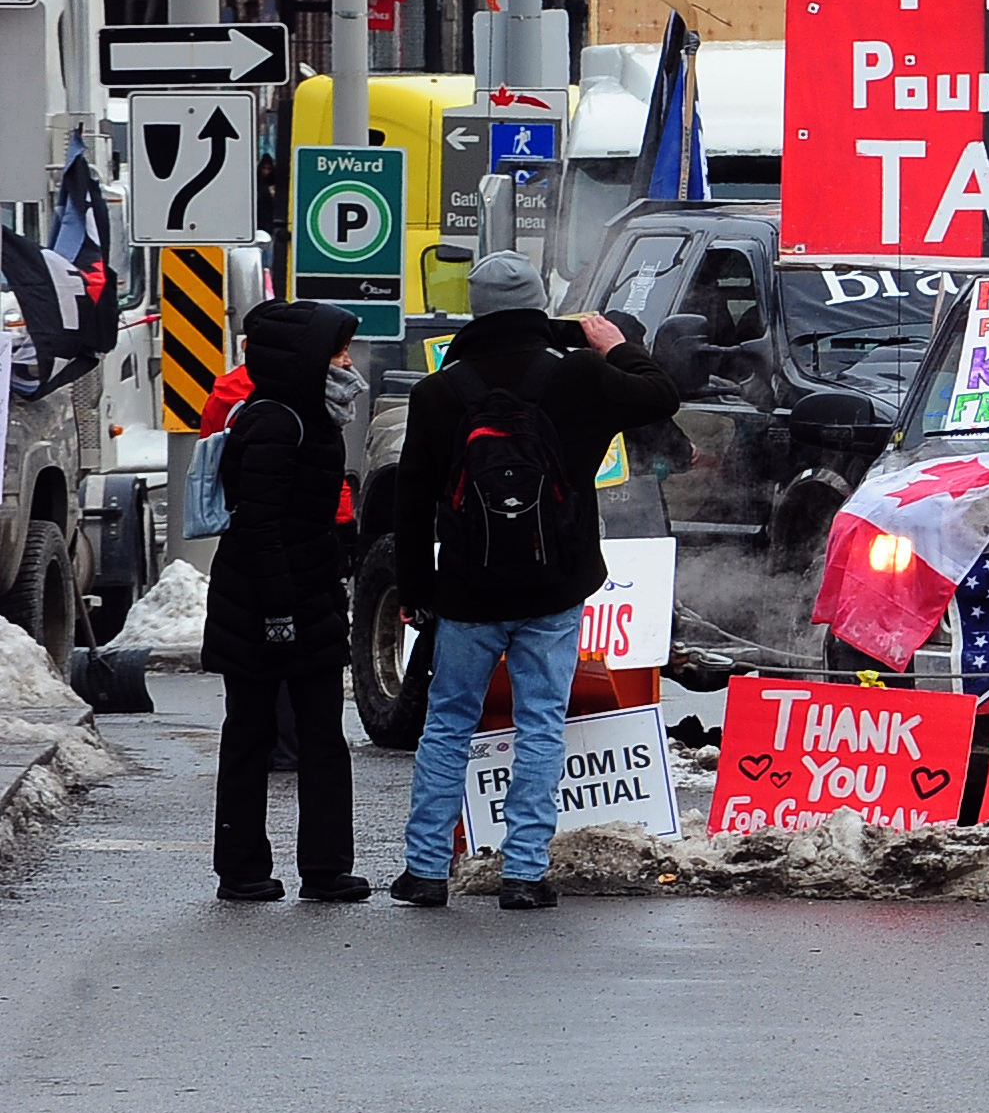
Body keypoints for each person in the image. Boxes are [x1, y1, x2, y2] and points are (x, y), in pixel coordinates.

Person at [386, 252, 679, 910]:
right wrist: (618, 348)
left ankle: (427, 870)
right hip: (554, 585)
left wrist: (413, 588)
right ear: (541, 304)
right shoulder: (579, 375)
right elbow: (662, 395)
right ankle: (523, 874)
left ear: (476, 308)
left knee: (448, 724)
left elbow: (411, 497)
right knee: (541, 723)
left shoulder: (440, 391)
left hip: (467, 590)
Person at [204, 297, 366, 903]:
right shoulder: (276, 421)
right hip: (265, 603)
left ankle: (324, 867)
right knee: (251, 734)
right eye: (336, 350)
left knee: (321, 735)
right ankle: (243, 869)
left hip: (305, 595)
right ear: (303, 358)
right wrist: (278, 612)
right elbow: (259, 529)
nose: (346, 361)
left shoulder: (308, 415)